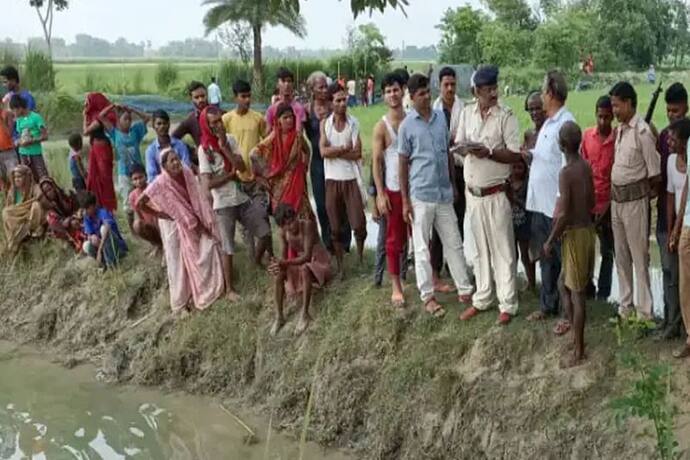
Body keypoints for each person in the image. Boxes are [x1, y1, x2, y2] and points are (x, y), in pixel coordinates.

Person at [399, 74, 473, 317]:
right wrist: (405, 201)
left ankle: (464, 289)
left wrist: (453, 184)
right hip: (420, 194)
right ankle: (427, 295)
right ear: (411, 97)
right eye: (420, 94)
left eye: (427, 93)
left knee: (454, 241)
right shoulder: (407, 126)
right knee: (421, 248)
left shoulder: (441, 118)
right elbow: (402, 164)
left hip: (443, 192)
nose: (426, 97)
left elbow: (447, 155)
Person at [454, 65, 521, 325]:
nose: (493, 93)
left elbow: (515, 154)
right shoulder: (467, 113)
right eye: (487, 89)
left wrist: (489, 152)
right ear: (476, 91)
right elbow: (458, 143)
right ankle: (482, 298)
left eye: (495, 87)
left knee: (503, 249)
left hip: (496, 193)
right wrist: (465, 148)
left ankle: (508, 303)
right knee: (479, 249)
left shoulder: (506, 115)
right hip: (473, 194)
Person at [136, 148, 225, 314]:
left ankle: (215, 288)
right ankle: (192, 297)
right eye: (172, 161)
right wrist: (162, 214)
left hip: (195, 217)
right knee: (186, 259)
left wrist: (203, 222)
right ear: (164, 166)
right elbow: (140, 204)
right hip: (179, 224)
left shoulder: (186, 172)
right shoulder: (159, 183)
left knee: (208, 247)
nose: (176, 163)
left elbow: (198, 197)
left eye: (177, 159)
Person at [199, 106, 272, 301]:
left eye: (219, 121)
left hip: (240, 197)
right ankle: (229, 289)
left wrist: (224, 148)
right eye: (212, 122)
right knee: (228, 247)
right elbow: (209, 184)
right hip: (223, 203)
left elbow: (241, 167)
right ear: (206, 125)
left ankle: (256, 262)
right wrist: (230, 175)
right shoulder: (204, 149)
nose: (217, 126)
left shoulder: (230, 140)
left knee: (264, 231)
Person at [526, 71, 576, 333]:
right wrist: (529, 154)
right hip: (540, 203)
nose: (542, 96)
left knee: (558, 258)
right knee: (546, 257)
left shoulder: (566, 124)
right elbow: (546, 155)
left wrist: (561, 205)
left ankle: (565, 312)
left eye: (544, 91)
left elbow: (568, 166)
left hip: (554, 206)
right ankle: (548, 305)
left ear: (552, 93)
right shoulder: (549, 123)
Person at [543, 121, 596, 368]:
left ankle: (579, 351)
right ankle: (575, 335)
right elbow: (593, 199)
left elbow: (563, 214)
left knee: (576, 294)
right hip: (587, 230)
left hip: (573, 235)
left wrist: (551, 239)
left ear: (562, 145)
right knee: (563, 285)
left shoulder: (566, 173)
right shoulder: (585, 166)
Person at [609, 81, 661, 320]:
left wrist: (642, 197)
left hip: (634, 204)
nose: (614, 110)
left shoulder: (643, 132)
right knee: (621, 256)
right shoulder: (619, 130)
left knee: (639, 258)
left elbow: (655, 174)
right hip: (617, 202)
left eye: (617, 105)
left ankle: (645, 313)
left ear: (629, 103)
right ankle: (626, 307)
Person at [319, 83, 367, 276]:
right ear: (331, 103)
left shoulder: (353, 123)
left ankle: (361, 259)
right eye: (338, 100)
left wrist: (335, 152)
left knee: (359, 224)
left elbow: (357, 153)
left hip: (350, 178)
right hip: (332, 180)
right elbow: (323, 151)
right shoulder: (326, 124)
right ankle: (340, 266)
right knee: (336, 227)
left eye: (344, 99)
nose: (342, 103)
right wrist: (343, 149)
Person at [305, 71, 351, 254]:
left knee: (340, 202)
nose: (325, 90)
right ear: (312, 90)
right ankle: (329, 242)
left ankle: (345, 242)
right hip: (317, 162)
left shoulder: (334, 107)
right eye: (321, 87)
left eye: (326, 86)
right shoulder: (307, 110)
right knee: (322, 205)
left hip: (336, 160)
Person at [372, 72, 408, 307]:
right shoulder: (381, 127)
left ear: (403, 90)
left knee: (422, 238)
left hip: (417, 188)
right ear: (384, 96)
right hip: (393, 189)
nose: (392, 94)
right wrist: (380, 194)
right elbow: (376, 162)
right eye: (387, 91)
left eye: (395, 89)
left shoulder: (413, 119)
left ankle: (431, 280)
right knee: (393, 240)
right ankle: (396, 286)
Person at [222, 79, 269, 257]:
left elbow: (267, 142)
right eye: (243, 96)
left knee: (261, 214)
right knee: (244, 223)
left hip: (255, 178)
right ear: (235, 98)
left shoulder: (258, 118)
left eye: (249, 96)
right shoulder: (226, 120)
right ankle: (251, 258)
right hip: (236, 179)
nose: (247, 100)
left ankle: (261, 255)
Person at [269, 203, 332, 336]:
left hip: (319, 262)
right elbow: (284, 258)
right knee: (279, 274)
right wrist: (277, 265)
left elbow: (307, 256)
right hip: (302, 262)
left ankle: (305, 314)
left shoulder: (307, 225)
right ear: (282, 226)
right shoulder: (283, 234)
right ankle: (279, 316)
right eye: (288, 224)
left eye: (294, 220)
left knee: (304, 268)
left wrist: (284, 263)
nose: (293, 225)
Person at [656, 83, 688, 339]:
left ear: (686, 107)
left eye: (675, 111)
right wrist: (669, 225)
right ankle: (671, 320)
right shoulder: (665, 139)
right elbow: (667, 188)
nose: (671, 116)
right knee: (670, 273)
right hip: (670, 218)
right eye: (668, 111)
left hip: (685, 221)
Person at [431, 67, 466, 292]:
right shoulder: (433, 109)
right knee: (437, 223)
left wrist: (454, 140)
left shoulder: (464, 109)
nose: (450, 88)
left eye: (453, 84)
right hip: (438, 172)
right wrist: (449, 140)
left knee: (458, 220)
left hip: (460, 169)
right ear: (439, 85)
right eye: (446, 84)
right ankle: (435, 270)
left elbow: (466, 138)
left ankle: (455, 268)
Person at [580, 96, 616, 302]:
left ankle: (604, 293)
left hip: (609, 205)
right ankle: (587, 286)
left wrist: (608, 207)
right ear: (596, 115)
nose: (603, 122)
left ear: (612, 117)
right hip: (589, 203)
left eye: (607, 117)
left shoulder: (617, 138)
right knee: (586, 248)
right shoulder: (587, 137)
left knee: (608, 251)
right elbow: (582, 169)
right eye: (600, 117)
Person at [253, 103, 312, 219]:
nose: (289, 120)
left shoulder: (298, 136)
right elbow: (254, 154)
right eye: (285, 117)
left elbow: (307, 150)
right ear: (278, 120)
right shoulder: (273, 137)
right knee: (284, 218)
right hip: (279, 185)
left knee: (302, 219)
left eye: (291, 117)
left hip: (297, 182)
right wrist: (263, 173)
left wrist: (306, 165)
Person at [98, 103, 150, 226]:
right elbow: (101, 116)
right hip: (124, 174)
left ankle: (146, 224)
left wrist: (133, 109)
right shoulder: (114, 133)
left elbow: (147, 118)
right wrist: (112, 106)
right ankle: (133, 228)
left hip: (138, 172)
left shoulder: (136, 131)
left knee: (143, 198)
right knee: (128, 203)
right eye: (125, 119)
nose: (128, 122)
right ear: (118, 121)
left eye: (130, 119)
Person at [668, 119, 690, 358]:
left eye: (673, 138)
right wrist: (677, 225)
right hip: (687, 226)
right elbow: (686, 189)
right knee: (685, 284)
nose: (669, 141)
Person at [83, 92, 117, 212]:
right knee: (95, 176)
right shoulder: (92, 115)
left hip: (101, 147)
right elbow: (85, 130)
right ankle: (98, 203)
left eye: (88, 101)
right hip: (95, 147)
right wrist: (85, 114)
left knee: (104, 177)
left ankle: (107, 205)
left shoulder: (99, 117)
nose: (85, 104)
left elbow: (86, 132)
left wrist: (84, 115)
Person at [79, 191, 127, 269]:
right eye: (84, 209)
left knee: (103, 229)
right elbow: (89, 234)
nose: (85, 211)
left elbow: (107, 227)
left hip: (116, 246)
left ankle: (112, 262)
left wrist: (100, 249)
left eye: (87, 208)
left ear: (93, 206)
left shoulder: (103, 212)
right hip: (103, 248)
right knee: (86, 245)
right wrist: (92, 237)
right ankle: (104, 262)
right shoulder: (87, 218)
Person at [2, 165, 44, 253]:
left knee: (36, 205)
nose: (16, 179)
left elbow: (39, 197)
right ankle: (16, 236)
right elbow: (9, 209)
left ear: (26, 177)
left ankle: (29, 230)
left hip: (30, 216)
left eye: (19, 177)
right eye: (15, 177)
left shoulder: (34, 188)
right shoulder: (12, 192)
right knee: (5, 212)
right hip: (17, 219)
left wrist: (27, 206)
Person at [145, 109, 193, 183]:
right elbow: (152, 176)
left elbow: (187, 167)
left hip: (182, 182)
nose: (162, 126)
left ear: (169, 124)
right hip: (162, 187)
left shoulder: (180, 145)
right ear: (154, 126)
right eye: (159, 124)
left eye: (165, 123)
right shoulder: (151, 150)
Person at [10, 94, 49, 182]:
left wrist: (32, 141)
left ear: (20, 108)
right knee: (26, 178)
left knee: (43, 176)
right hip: (23, 153)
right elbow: (20, 136)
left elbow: (45, 136)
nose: (14, 113)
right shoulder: (19, 120)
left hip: (35, 153)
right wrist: (18, 142)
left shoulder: (35, 117)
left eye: (14, 110)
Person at [511, 157, 535, 290]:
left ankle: (531, 283)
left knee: (526, 255)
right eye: (514, 167)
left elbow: (530, 205)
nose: (516, 171)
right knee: (512, 255)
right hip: (510, 223)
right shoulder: (507, 182)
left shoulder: (528, 184)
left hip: (525, 223)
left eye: (519, 168)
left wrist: (515, 199)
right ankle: (512, 282)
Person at [38, 176, 81, 251]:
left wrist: (74, 216)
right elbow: (59, 223)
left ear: (53, 186)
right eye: (46, 192)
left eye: (50, 189)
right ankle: (73, 243)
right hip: (64, 229)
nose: (49, 193)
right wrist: (68, 221)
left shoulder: (65, 194)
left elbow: (76, 206)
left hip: (76, 217)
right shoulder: (48, 207)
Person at [128, 164, 162, 254]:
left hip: (161, 221)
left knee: (157, 218)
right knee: (137, 225)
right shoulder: (132, 196)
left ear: (146, 176)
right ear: (131, 181)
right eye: (135, 179)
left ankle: (165, 247)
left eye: (140, 177)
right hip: (151, 226)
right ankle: (157, 244)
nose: (138, 181)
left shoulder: (153, 188)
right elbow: (139, 215)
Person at [172, 81, 208, 155]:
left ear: (207, 95)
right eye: (196, 97)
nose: (200, 100)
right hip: (203, 161)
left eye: (203, 96)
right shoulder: (190, 120)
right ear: (191, 98)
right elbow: (173, 138)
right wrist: (190, 150)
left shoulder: (219, 113)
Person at [265, 68, 307, 132]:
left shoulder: (299, 108)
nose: (286, 84)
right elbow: (268, 132)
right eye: (283, 81)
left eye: (289, 81)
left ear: (293, 84)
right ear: (277, 84)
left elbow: (299, 133)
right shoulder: (271, 110)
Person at [0, 106, 15, 193]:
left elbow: (9, 133)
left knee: (12, 176)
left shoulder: (7, 114)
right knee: (1, 181)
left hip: (8, 151)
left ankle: (15, 198)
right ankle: (5, 201)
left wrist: (2, 120)